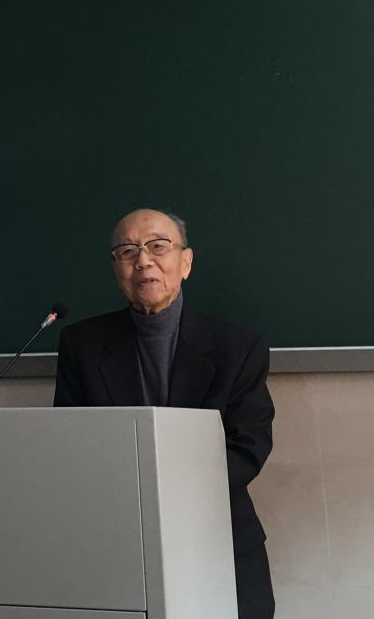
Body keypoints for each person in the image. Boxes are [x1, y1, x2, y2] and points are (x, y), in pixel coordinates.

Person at [53, 208, 274, 619]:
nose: (143, 261)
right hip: (116, 541)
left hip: (217, 535)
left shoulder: (238, 346)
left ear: (185, 262)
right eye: (127, 251)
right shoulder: (81, 344)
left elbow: (248, 446)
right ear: (116, 269)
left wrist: (164, 499)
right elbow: (71, 441)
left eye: (158, 246)